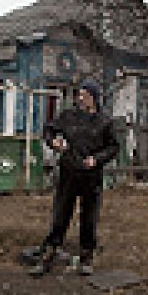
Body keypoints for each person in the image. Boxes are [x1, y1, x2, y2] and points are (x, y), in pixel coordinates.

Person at [27, 79, 119, 277]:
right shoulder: (68, 116)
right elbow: (49, 130)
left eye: (84, 95)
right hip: (68, 172)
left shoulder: (105, 121)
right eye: (79, 95)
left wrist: (97, 159)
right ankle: (48, 256)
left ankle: (86, 258)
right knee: (60, 215)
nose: (80, 98)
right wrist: (54, 142)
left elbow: (113, 147)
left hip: (91, 176)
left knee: (89, 218)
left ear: (94, 98)